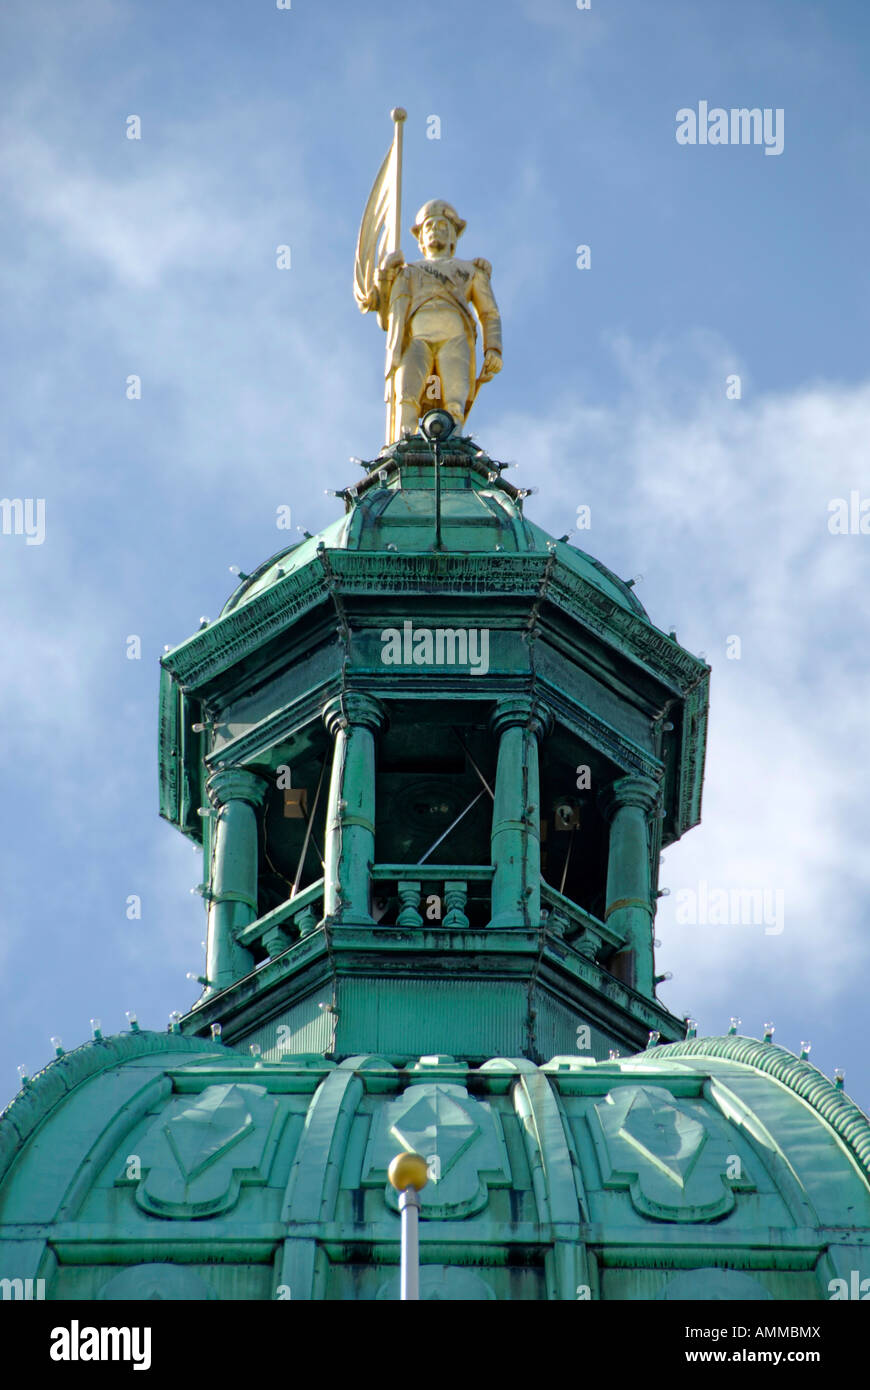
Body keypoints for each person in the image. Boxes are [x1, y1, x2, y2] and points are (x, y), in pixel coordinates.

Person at [362, 199, 502, 438]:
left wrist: (493, 347)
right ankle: (404, 439)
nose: (435, 230)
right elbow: (388, 319)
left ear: (453, 237)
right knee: (407, 394)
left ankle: (454, 440)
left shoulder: (470, 271)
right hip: (417, 338)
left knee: (454, 399)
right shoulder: (407, 272)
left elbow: (489, 313)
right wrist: (385, 277)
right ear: (420, 238)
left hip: (455, 338)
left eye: (442, 225)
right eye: (429, 226)